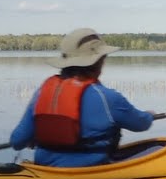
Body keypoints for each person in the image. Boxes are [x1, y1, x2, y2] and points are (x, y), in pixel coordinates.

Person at [9, 28, 154, 167]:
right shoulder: (108, 98)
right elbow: (141, 124)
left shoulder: (42, 92)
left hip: (45, 172)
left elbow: (17, 141)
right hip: (89, 173)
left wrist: (36, 138)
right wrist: (149, 115)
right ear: (98, 62)